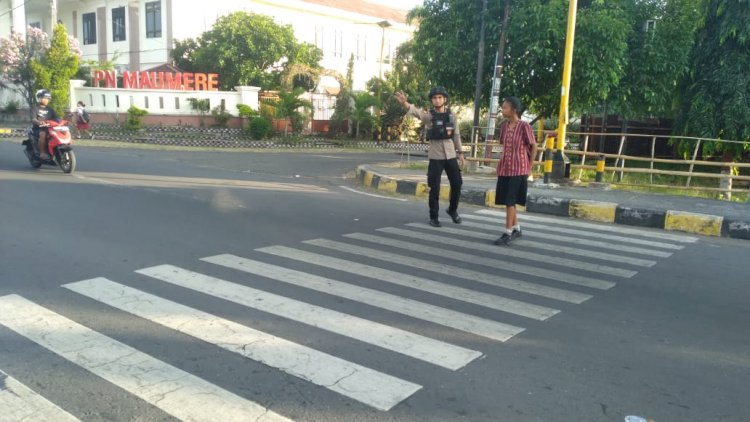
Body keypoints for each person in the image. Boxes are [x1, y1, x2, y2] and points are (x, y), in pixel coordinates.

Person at [395, 87, 465, 227]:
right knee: (435, 187)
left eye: (440, 97)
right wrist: (405, 103)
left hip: (450, 154)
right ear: (432, 100)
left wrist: (461, 153)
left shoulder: (452, 116)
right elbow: (417, 113)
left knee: (457, 183)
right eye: (434, 98)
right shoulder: (430, 117)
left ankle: (452, 210)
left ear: (445, 99)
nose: (437, 100)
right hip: (435, 155)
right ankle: (434, 217)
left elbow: (456, 135)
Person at [494, 96, 537, 245]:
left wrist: (529, 167)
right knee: (508, 201)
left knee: (510, 201)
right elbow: (504, 145)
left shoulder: (525, 126)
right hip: (505, 168)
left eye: (505, 107)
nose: (503, 110)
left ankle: (507, 232)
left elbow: (534, 146)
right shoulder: (504, 126)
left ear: (514, 110)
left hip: (519, 169)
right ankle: (517, 228)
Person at [31, 89, 60, 160]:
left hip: (49, 128)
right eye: (45, 98)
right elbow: (33, 119)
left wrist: (64, 120)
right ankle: (42, 153)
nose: (46, 100)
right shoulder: (35, 108)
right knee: (43, 134)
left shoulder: (50, 109)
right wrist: (39, 122)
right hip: (38, 128)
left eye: (48, 99)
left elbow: (57, 118)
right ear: (39, 98)